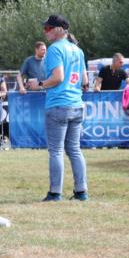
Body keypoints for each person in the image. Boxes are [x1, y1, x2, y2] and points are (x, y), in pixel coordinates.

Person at [39, 14, 88, 202]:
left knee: (56, 151)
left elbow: (58, 77)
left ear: (59, 30)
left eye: (48, 29)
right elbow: (84, 81)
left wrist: (40, 84)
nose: (46, 32)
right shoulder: (78, 50)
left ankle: (55, 193)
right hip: (76, 104)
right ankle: (81, 191)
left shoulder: (54, 49)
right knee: (74, 150)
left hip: (58, 104)